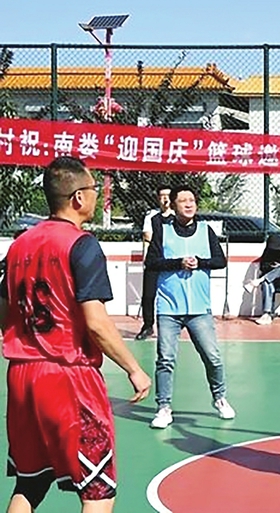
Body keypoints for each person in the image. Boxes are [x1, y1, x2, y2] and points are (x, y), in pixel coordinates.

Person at [1, 156, 151, 512]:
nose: (97, 195)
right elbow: (95, 322)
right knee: (98, 490)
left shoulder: (19, 245)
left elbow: (3, 313)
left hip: (21, 377)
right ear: (78, 197)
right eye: (94, 189)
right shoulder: (81, 245)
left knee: (30, 483)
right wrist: (133, 368)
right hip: (68, 376)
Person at [145, 184, 235, 429]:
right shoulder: (162, 231)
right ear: (173, 205)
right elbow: (151, 262)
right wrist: (178, 263)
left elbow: (220, 261)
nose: (188, 204)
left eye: (192, 200)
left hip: (199, 308)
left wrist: (201, 262)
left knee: (212, 357)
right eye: (183, 200)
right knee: (165, 359)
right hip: (169, 307)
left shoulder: (206, 231)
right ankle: (164, 407)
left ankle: (220, 398)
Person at [136, 184, 173, 340]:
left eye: (168, 196)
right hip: (154, 259)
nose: (165, 199)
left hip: (171, 259)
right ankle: (148, 326)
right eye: (162, 196)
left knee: (170, 295)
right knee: (148, 295)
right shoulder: (151, 216)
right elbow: (147, 235)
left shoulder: (177, 216)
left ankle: (170, 328)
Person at [246, 234, 280, 326]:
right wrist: (272, 267)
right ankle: (266, 314)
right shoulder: (268, 251)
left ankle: (259, 280)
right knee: (266, 283)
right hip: (271, 280)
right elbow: (263, 267)